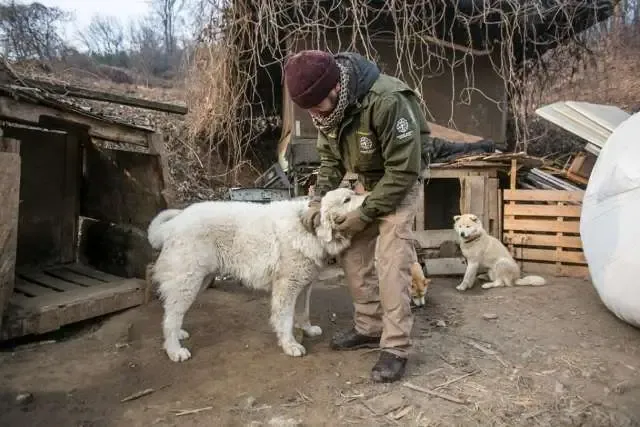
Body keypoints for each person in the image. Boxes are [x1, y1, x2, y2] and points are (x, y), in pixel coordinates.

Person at [283, 50, 497, 382]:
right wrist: (318, 201)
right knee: (352, 251)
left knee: (392, 257)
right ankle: (369, 327)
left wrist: (365, 212)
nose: (314, 115)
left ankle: (396, 346)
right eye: (308, 109)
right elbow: (330, 161)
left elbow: (402, 171)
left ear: (335, 88)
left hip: (403, 179)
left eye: (316, 106)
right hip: (368, 180)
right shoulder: (328, 114)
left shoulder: (388, 100)